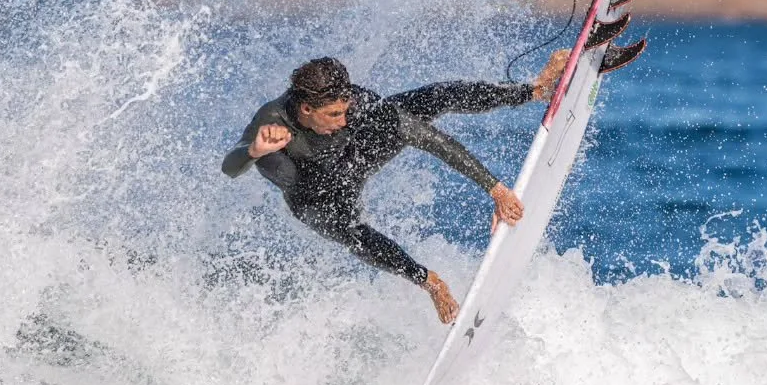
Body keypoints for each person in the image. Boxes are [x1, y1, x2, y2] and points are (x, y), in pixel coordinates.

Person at [222, 50, 570, 323]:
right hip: (315, 197)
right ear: (307, 108)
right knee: (345, 226)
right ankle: (431, 282)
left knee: (432, 99)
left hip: (352, 162)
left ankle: (535, 90)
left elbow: (422, 135)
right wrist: (255, 149)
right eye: (333, 115)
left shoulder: (353, 103)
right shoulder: (271, 120)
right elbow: (231, 165)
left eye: (345, 111)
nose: (343, 120)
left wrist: (494, 188)